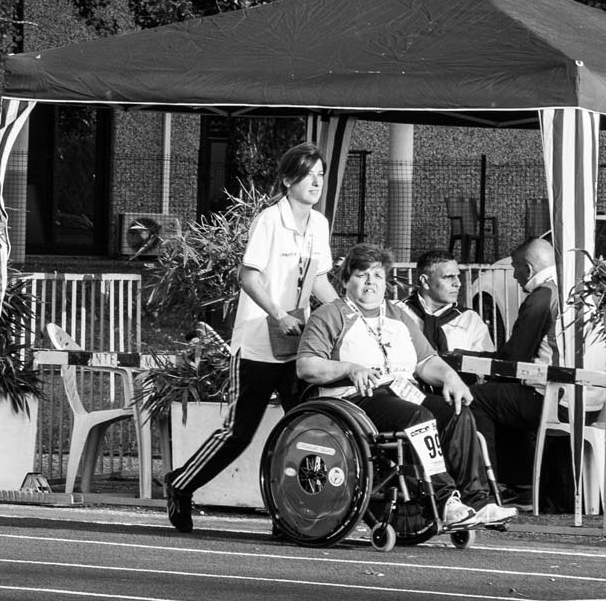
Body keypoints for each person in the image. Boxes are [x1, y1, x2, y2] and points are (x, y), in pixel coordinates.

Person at [165, 142, 339, 532]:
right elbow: (248, 277)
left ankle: (288, 512)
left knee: (306, 429)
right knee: (240, 432)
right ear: (287, 179)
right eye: (308, 174)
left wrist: (346, 315)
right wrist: (277, 314)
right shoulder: (269, 221)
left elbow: (320, 280)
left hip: (299, 345)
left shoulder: (319, 225)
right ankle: (181, 483)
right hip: (260, 342)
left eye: (320, 175)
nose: (316, 182)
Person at [296, 243, 516, 529]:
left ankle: (478, 501)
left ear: (386, 283)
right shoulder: (330, 314)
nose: (370, 283)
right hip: (356, 398)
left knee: (456, 412)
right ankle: (444, 500)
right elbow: (306, 366)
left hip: (403, 391)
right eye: (362, 275)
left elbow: (426, 361)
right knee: (418, 418)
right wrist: (349, 368)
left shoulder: (398, 316)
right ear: (347, 279)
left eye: (377, 276)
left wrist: (451, 378)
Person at [466, 237, 604, 506]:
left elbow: (515, 357)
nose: (515, 276)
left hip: (558, 400)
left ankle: (489, 487)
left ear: (528, 269)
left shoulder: (544, 296)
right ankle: (523, 482)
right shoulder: (585, 293)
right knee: (504, 395)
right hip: (593, 401)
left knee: (476, 398)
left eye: (515, 267)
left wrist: (472, 359)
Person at [404, 251, 498, 359]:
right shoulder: (399, 313)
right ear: (425, 281)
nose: (458, 283)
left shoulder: (470, 319)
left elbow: (484, 364)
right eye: (448, 277)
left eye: (458, 276)